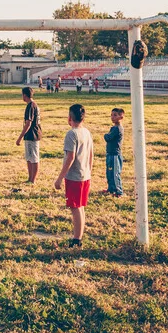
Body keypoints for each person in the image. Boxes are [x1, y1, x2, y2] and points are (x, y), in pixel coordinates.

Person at [54, 104, 94, 248]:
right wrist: (89, 171)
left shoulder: (71, 134)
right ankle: (79, 235)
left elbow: (70, 158)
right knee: (80, 206)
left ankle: (77, 239)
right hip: (85, 175)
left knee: (75, 207)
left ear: (69, 118)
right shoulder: (87, 132)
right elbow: (91, 155)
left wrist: (59, 178)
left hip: (74, 177)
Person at [15, 87, 41, 183]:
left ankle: (33, 179)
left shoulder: (30, 106)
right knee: (29, 157)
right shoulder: (35, 105)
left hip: (32, 135)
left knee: (34, 158)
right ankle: (30, 178)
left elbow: (28, 123)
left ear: (24, 95)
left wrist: (20, 137)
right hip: (31, 135)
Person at [103, 108, 125, 197]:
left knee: (115, 173)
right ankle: (111, 189)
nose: (112, 117)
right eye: (111, 115)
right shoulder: (114, 128)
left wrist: (105, 135)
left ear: (121, 117)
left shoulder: (117, 129)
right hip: (110, 153)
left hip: (115, 154)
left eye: (115, 115)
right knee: (109, 172)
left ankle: (119, 191)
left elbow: (108, 138)